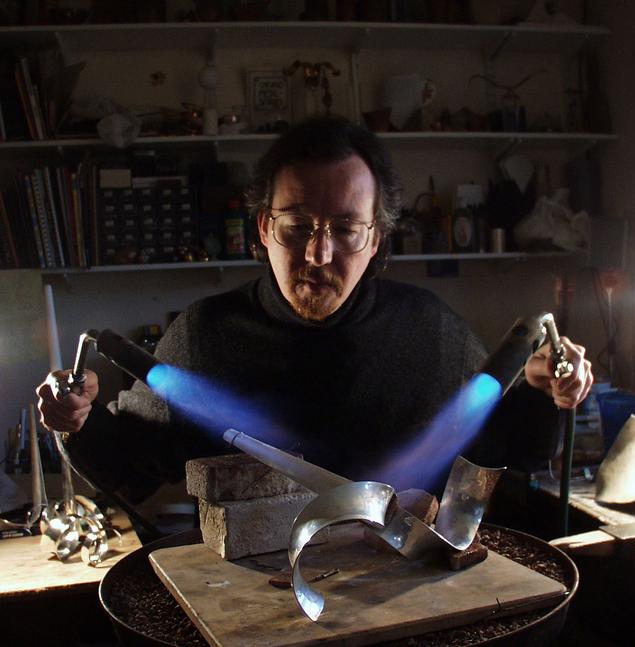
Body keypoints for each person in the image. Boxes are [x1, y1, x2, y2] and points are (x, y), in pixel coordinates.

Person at [37, 115, 593, 505]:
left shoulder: (432, 331)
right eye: (297, 226)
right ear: (263, 228)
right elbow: (126, 469)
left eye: (346, 230)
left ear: (376, 239)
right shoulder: (203, 337)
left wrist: (547, 394)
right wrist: (75, 423)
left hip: (399, 602)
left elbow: (512, 451)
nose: (317, 254)